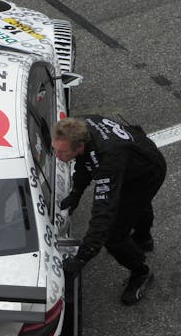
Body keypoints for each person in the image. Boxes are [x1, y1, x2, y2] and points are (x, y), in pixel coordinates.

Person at [51, 116, 166, 305]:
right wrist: (76, 194)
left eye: (62, 152)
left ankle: (141, 273)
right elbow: (84, 163)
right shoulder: (80, 127)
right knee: (135, 207)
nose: (57, 155)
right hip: (136, 157)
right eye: (56, 149)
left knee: (114, 237)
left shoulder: (108, 160)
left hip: (148, 172)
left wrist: (83, 255)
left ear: (79, 146)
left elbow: (103, 213)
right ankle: (144, 239)